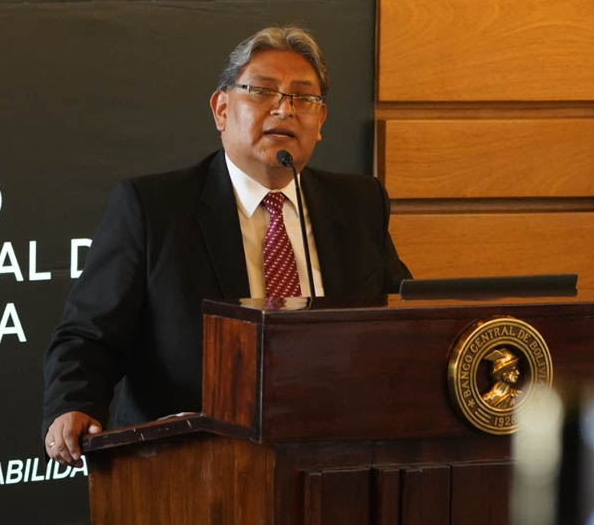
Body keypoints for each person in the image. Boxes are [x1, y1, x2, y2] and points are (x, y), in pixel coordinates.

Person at [42, 26, 411, 464]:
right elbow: (89, 333)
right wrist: (74, 404)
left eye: (303, 97)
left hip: (334, 457)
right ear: (221, 109)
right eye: (263, 91)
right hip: (186, 461)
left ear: (321, 121)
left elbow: (401, 322)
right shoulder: (155, 209)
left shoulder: (359, 204)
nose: (284, 109)